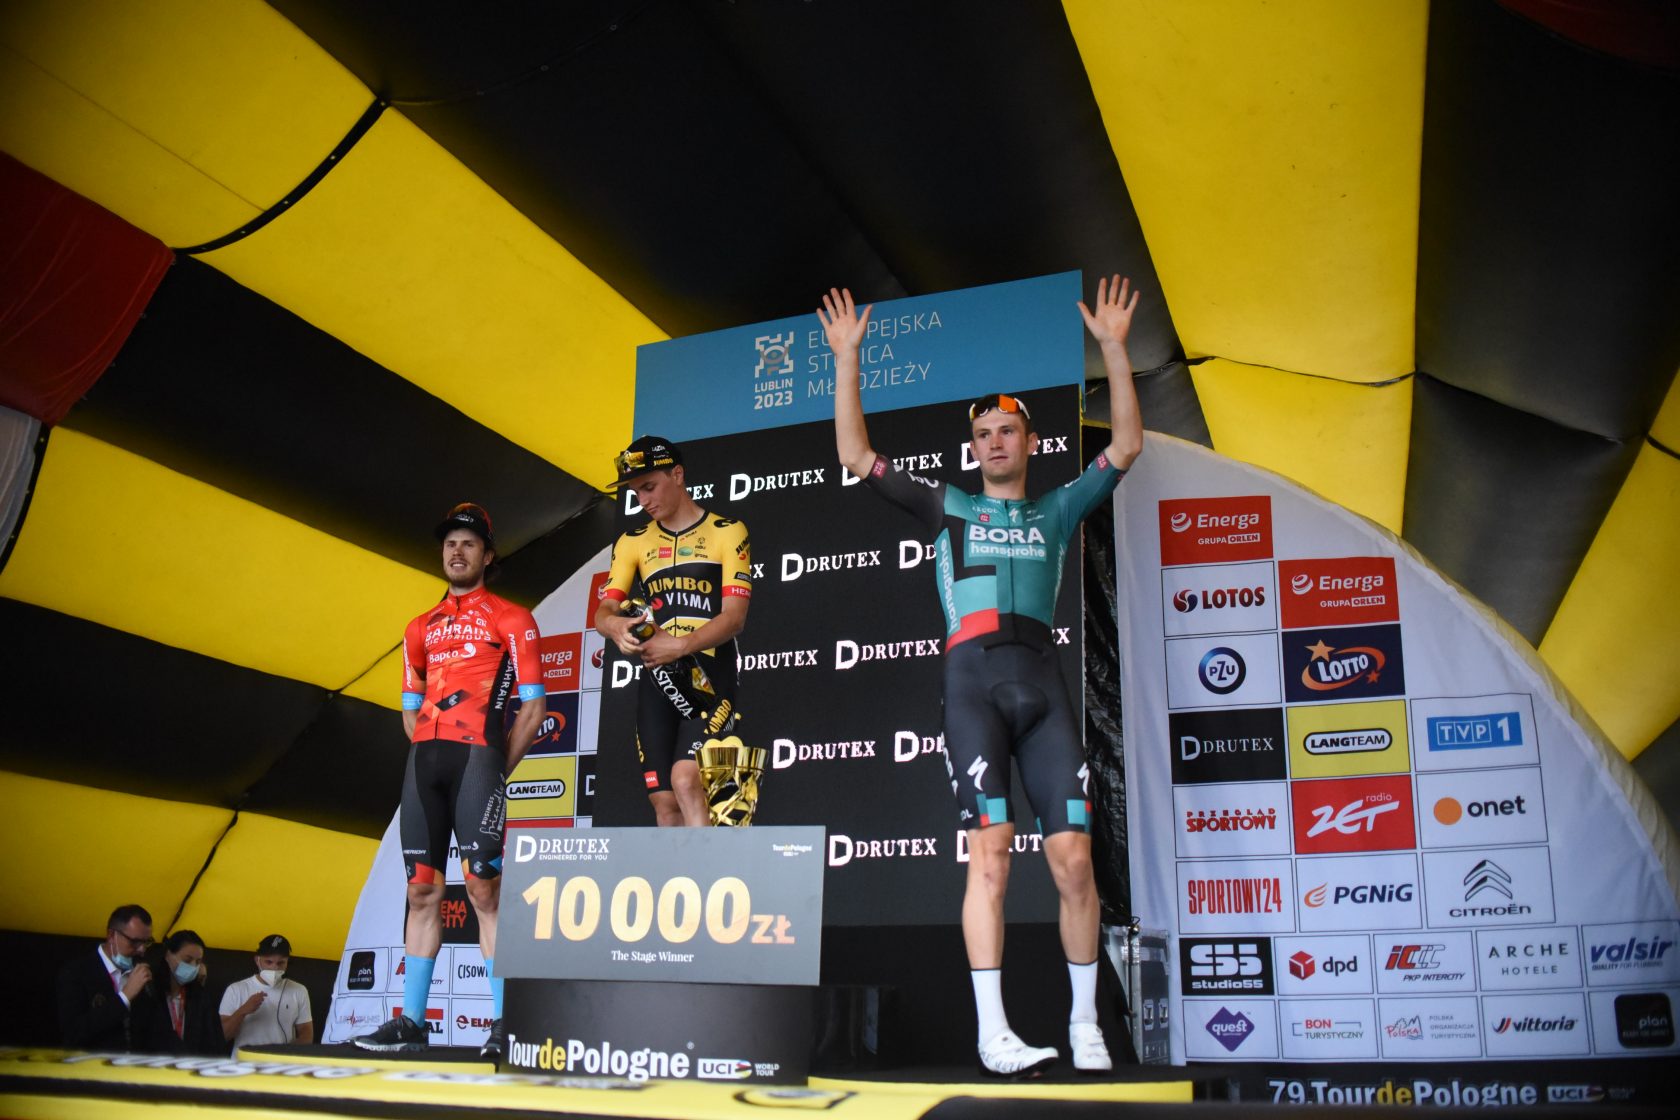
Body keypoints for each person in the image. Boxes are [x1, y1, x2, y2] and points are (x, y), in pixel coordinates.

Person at [821, 276, 1144, 1076]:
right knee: (990, 855)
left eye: (1007, 431)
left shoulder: (1058, 509)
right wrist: (847, 359)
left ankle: (1085, 1025)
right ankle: (993, 1034)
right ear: (973, 450)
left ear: (1031, 443)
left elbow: (1127, 447)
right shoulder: (950, 507)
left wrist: (1113, 348)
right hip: (973, 688)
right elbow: (856, 455)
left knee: (1074, 862)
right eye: (983, 435)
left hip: (1044, 690)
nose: (994, 442)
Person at [353, 502, 545, 1057]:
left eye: (468, 543)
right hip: (424, 764)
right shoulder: (419, 627)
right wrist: (425, 749)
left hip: (478, 761)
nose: (457, 551)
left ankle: (504, 1023)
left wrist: (493, 771)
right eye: (449, 543)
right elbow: (409, 708)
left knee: (484, 890)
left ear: (488, 555)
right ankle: (412, 1022)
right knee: (420, 891)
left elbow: (534, 709)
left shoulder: (512, 618)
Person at [594, 436, 752, 827]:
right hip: (658, 678)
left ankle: (712, 865)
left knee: (687, 779)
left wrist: (680, 645)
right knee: (664, 802)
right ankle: (690, 867)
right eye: (636, 492)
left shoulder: (728, 531)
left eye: (649, 486)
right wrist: (615, 626)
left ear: (677, 475)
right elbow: (604, 611)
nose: (643, 500)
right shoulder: (632, 541)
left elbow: (735, 618)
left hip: (710, 673)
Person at [56, 904, 153, 1050]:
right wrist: (125, 997)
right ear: (111, 935)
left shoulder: (140, 971)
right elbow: (74, 1032)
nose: (141, 950)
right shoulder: (76, 973)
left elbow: (157, 1027)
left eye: (147, 942)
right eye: (134, 942)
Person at [133, 930, 222, 1054]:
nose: (193, 967)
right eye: (187, 960)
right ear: (168, 955)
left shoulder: (201, 997)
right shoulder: (149, 992)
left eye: (198, 962)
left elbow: (213, 1043)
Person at [219, 933, 312, 1048]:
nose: (275, 968)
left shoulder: (299, 990)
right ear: (257, 960)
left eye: (281, 963)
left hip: (281, 1059)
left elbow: (307, 1034)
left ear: (287, 962)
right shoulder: (235, 990)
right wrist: (243, 1010)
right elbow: (224, 1035)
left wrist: (286, 1053)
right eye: (269, 962)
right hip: (244, 1059)